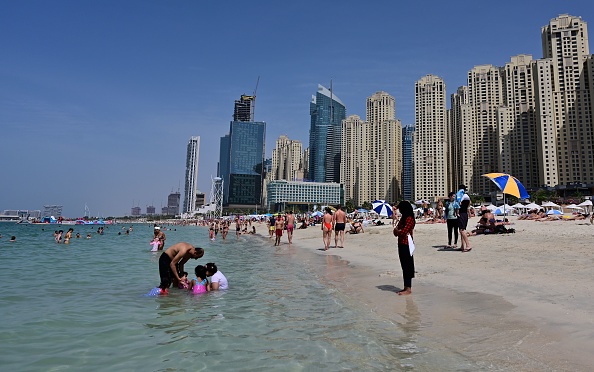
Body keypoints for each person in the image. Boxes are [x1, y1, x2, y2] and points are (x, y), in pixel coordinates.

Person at [393, 200, 416, 295]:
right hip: (401, 243)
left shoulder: (409, 218)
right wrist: (398, 231)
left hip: (407, 244)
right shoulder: (403, 218)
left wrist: (398, 231)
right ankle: (406, 286)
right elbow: (396, 231)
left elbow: (403, 231)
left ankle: (408, 288)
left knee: (407, 265)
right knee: (404, 266)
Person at [457, 185, 472, 252]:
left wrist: (457, 212)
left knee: (461, 230)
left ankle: (468, 245)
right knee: (462, 229)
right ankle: (462, 246)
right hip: (465, 213)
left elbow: (458, 204)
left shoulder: (461, 196)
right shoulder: (467, 196)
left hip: (461, 213)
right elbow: (470, 203)